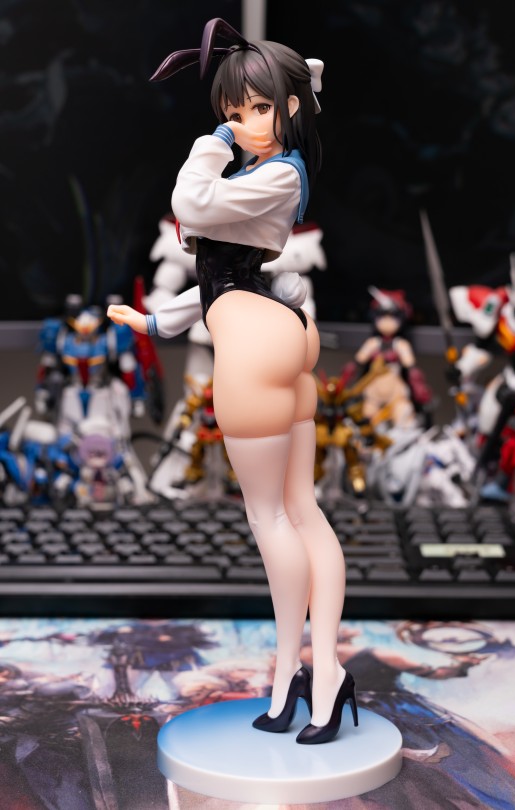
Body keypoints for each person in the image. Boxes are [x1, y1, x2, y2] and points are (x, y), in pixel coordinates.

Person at [107, 18, 354, 744]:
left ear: (292, 108)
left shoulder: (277, 172)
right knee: (302, 510)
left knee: (270, 519)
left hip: (254, 347)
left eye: (259, 109)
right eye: (232, 110)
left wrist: (211, 140)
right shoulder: (265, 172)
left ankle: (299, 674)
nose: (243, 123)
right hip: (273, 331)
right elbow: (226, 279)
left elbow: (190, 206)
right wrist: (157, 321)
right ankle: (318, 678)